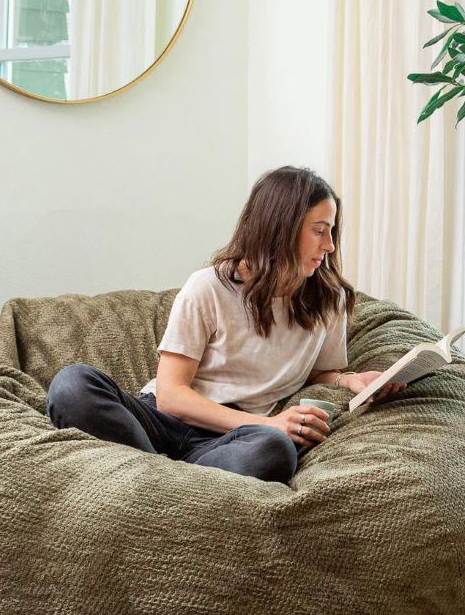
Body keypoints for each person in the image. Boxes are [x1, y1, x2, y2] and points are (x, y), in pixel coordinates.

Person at [46, 166, 403, 484]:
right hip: (158, 422)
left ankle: (153, 482)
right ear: (281, 228)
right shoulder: (209, 287)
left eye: (332, 231)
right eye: (319, 231)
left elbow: (320, 373)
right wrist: (268, 423)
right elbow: (171, 396)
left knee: (275, 449)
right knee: (71, 385)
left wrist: (348, 380)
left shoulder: (329, 301)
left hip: (225, 442)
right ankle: (171, 483)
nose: (329, 245)